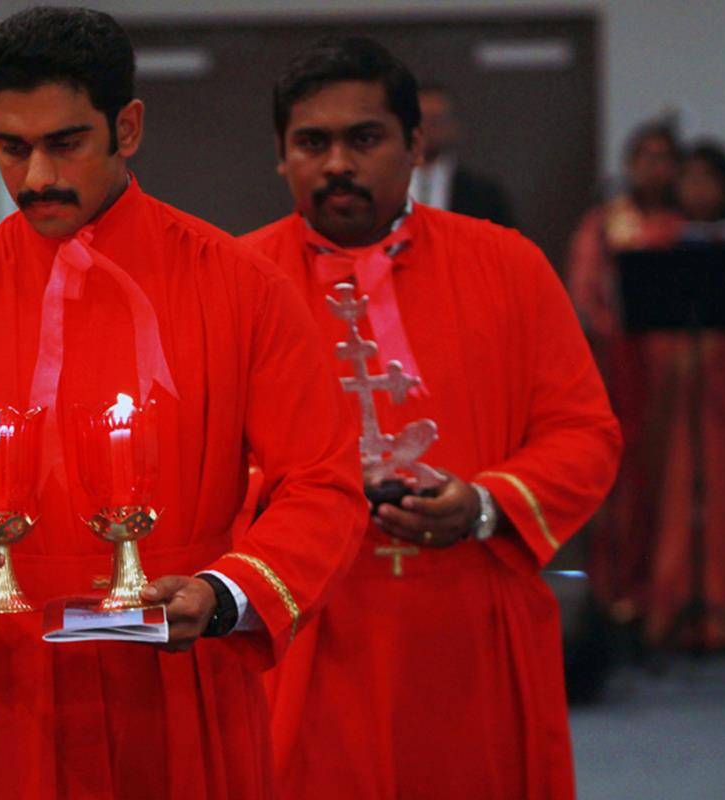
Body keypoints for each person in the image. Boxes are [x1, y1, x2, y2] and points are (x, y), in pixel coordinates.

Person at [0, 8, 367, 799]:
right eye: (11, 147)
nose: (36, 177)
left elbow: (321, 485)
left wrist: (225, 595)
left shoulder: (241, 287)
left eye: (66, 143)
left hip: (178, 673)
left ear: (128, 128)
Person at [240, 36, 621, 799]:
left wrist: (483, 502)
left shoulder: (507, 264)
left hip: (466, 613)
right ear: (281, 156)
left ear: (415, 145)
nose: (337, 164)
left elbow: (583, 433)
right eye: (311, 143)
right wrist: (302, 503)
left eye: (365, 139)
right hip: (303, 623)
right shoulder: (236, 279)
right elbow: (195, 458)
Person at [641, 141, 725, 647]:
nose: (696, 188)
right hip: (680, 396)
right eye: (689, 178)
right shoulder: (661, 241)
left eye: (706, 179)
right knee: (679, 490)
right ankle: (675, 602)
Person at [567, 122, 685, 627]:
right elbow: (585, 294)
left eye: (665, 158)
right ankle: (619, 597)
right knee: (623, 482)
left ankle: (673, 596)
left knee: (676, 481)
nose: (655, 168)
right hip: (622, 371)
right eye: (645, 157)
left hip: (680, 381)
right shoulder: (606, 223)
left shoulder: (687, 224)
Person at [408, 83, 515, 226]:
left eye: (437, 120)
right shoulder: (385, 191)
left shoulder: (483, 196)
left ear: (453, 126)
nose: (429, 128)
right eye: (422, 119)